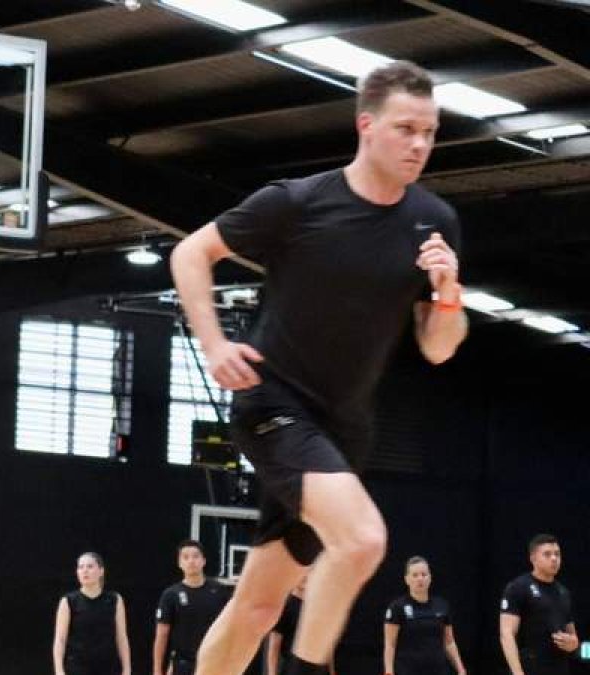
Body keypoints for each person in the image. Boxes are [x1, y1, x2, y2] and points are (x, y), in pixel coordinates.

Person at [169, 60, 467, 675]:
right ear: (366, 126)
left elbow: (439, 347)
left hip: (345, 430)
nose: (419, 144)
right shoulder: (298, 203)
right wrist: (214, 344)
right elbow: (191, 252)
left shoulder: (434, 222)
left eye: (430, 132)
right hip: (273, 404)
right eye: (405, 128)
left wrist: (447, 289)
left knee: (257, 605)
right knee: (362, 541)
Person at [500, 534, 578, 675]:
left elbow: (573, 636)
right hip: (530, 667)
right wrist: (517, 672)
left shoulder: (563, 592)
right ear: (533, 559)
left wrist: (573, 643)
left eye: (557, 554)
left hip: (559, 668)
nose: (554, 558)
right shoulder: (519, 587)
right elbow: (507, 634)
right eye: (547, 554)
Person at [153, 540, 230, 675]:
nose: (191, 561)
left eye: (195, 556)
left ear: (203, 561)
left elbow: (229, 628)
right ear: (179, 563)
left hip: (214, 662)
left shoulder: (219, 591)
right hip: (183, 665)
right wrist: (157, 670)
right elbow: (162, 635)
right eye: (186, 557)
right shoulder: (171, 595)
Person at [384, 556, 467, 675]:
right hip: (408, 670)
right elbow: (390, 644)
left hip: (438, 670)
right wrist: (389, 671)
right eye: (415, 575)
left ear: (430, 578)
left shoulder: (442, 606)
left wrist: (460, 669)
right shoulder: (397, 607)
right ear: (407, 579)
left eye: (424, 574)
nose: (420, 579)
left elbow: (449, 642)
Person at [52, 552, 132, 675]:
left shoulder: (114, 599)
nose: (85, 571)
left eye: (90, 566)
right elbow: (60, 639)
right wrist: (59, 670)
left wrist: (127, 669)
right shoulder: (69, 601)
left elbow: (121, 637)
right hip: (77, 667)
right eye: (81, 567)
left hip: (108, 667)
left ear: (101, 571)